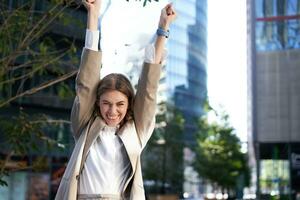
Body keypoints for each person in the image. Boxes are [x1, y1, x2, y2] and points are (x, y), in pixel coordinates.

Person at [55, 0, 176, 199]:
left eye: (120, 104)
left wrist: (163, 29)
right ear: (97, 103)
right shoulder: (86, 125)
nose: (112, 111)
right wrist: (93, 16)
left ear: (129, 105)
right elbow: (86, 81)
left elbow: (148, 90)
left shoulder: (136, 131)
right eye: (106, 103)